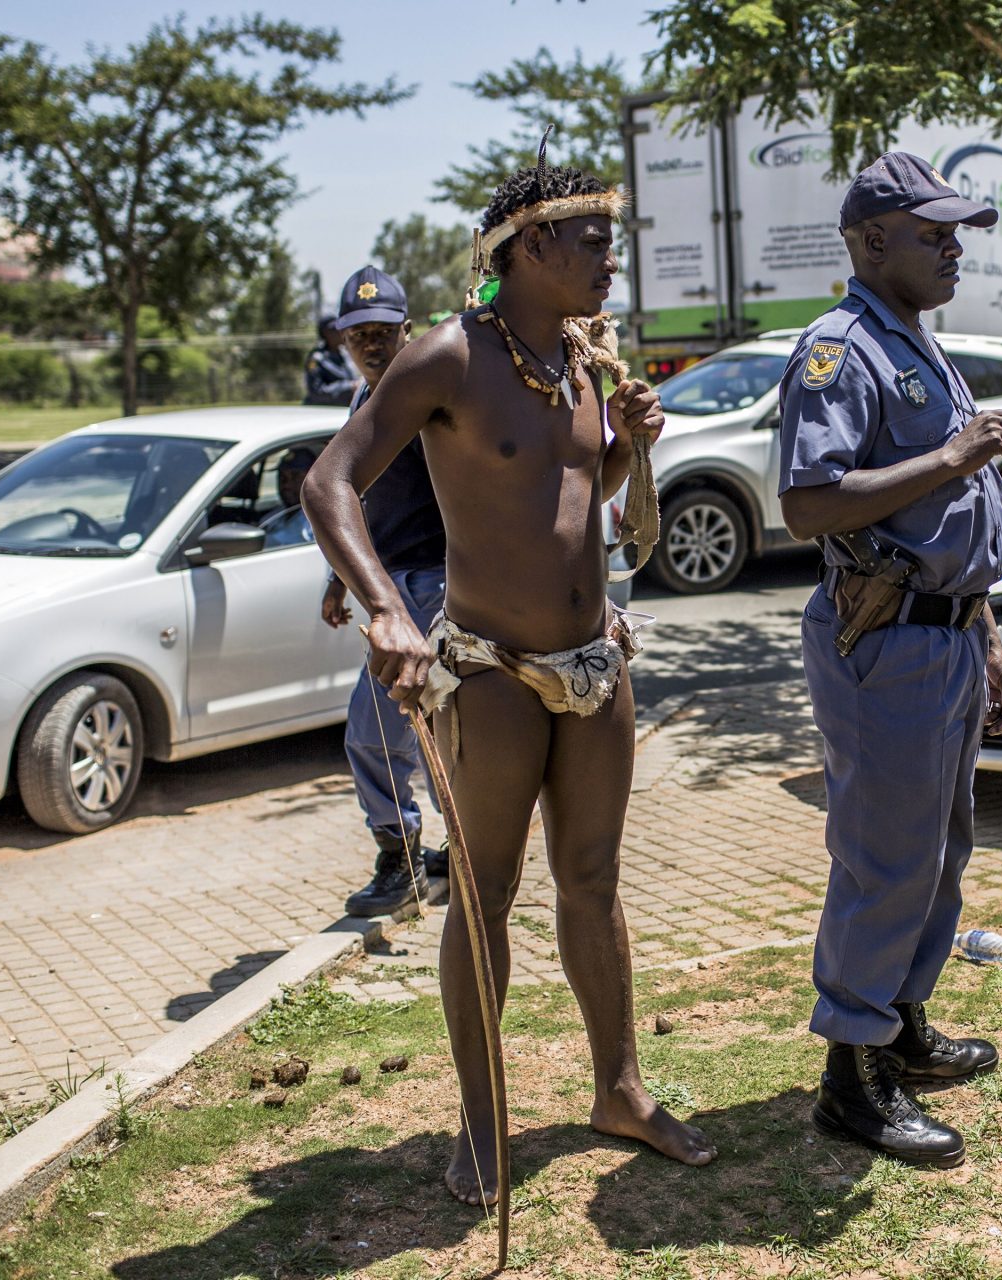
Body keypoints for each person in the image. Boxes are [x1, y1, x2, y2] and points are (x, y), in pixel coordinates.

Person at [303, 160, 715, 1207]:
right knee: (484, 897)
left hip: (594, 663)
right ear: (528, 248)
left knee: (595, 883)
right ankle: (482, 1128)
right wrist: (385, 609)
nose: (609, 258)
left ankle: (619, 1089)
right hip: (488, 673)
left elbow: (580, 490)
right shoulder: (447, 355)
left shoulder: (579, 359)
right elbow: (330, 481)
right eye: (590, 239)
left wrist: (631, 446)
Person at [778, 152, 1002, 1167]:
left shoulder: (911, 339)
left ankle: (903, 1022)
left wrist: (989, 632)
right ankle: (853, 1072)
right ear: (873, 238)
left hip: (947, 630)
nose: (954, 247)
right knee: (885, 858)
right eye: (935, 232)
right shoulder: (838, 351)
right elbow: (809, 502)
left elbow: (955, 515)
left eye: (956, 231)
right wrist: (955, 454)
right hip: (886, 640)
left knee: (939, 848)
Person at [319, 266, 452, 917]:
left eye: (381, 331)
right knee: (393, 734)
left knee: (391, 733)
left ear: (408, 328)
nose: (369, 344)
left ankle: (426, 861)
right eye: (356, 334)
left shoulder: (432, 394)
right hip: (389, 589)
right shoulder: (362, 399)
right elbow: (357, 498)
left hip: (438, 585)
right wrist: (338, 579)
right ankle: (417, 856)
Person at [258, 444, 319, 548]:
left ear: (312, 480)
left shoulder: (316, 521)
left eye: (295, 477)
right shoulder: (272, 517)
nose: (286, 484)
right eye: (282, 477)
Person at [303, 311, 360, 406]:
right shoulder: (316, 359)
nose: (341, 332)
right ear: (326, 333)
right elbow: (316, 392)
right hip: (321, 414)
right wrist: (349, 387)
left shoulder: (346, 356)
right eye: (336, 329)